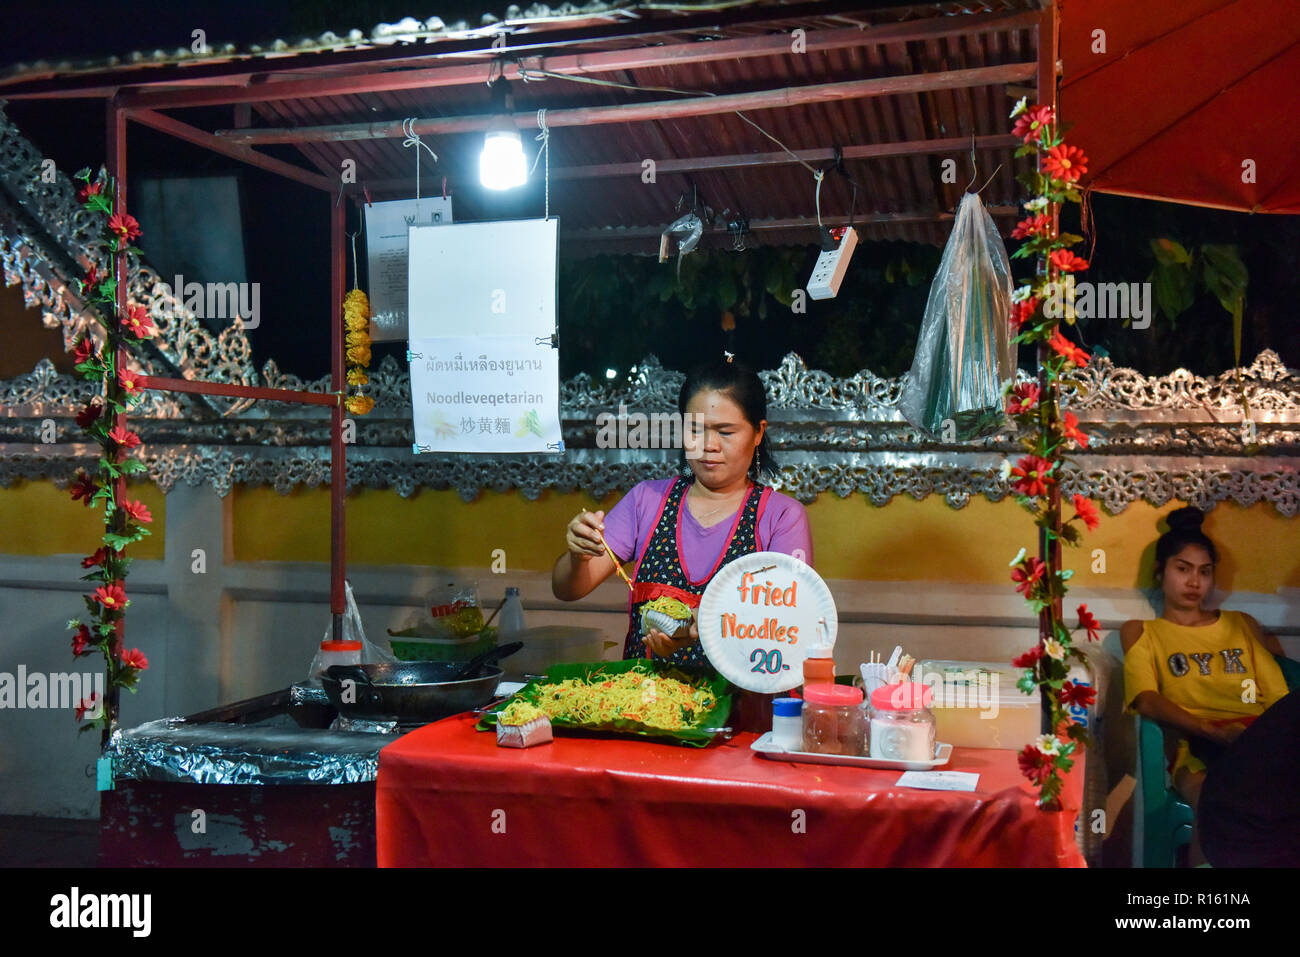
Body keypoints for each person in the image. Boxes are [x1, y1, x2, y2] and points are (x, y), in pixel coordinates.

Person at [552, 356, 813, 668]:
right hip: (645, 705)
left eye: (725, 432)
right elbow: (568, 589)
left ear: (758, 433)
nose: (709, 445)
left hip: (739, 708)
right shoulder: (646, 501)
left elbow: (791, 623)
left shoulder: (781, 517)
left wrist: (702, 628)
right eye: (695, 430)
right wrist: (578, 556)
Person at [1120, 506, 1290, 866]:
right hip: (1196, 746)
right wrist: (1210, 730)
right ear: (1160, 571)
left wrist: (1258, 739)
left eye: (1204, 572)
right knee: (1214, 798)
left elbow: (1279, 698)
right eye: (1182, 569)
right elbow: (1146, 699)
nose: (1194, 582)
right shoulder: (1144, 632)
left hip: (1259, 741)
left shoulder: (1240, 624)